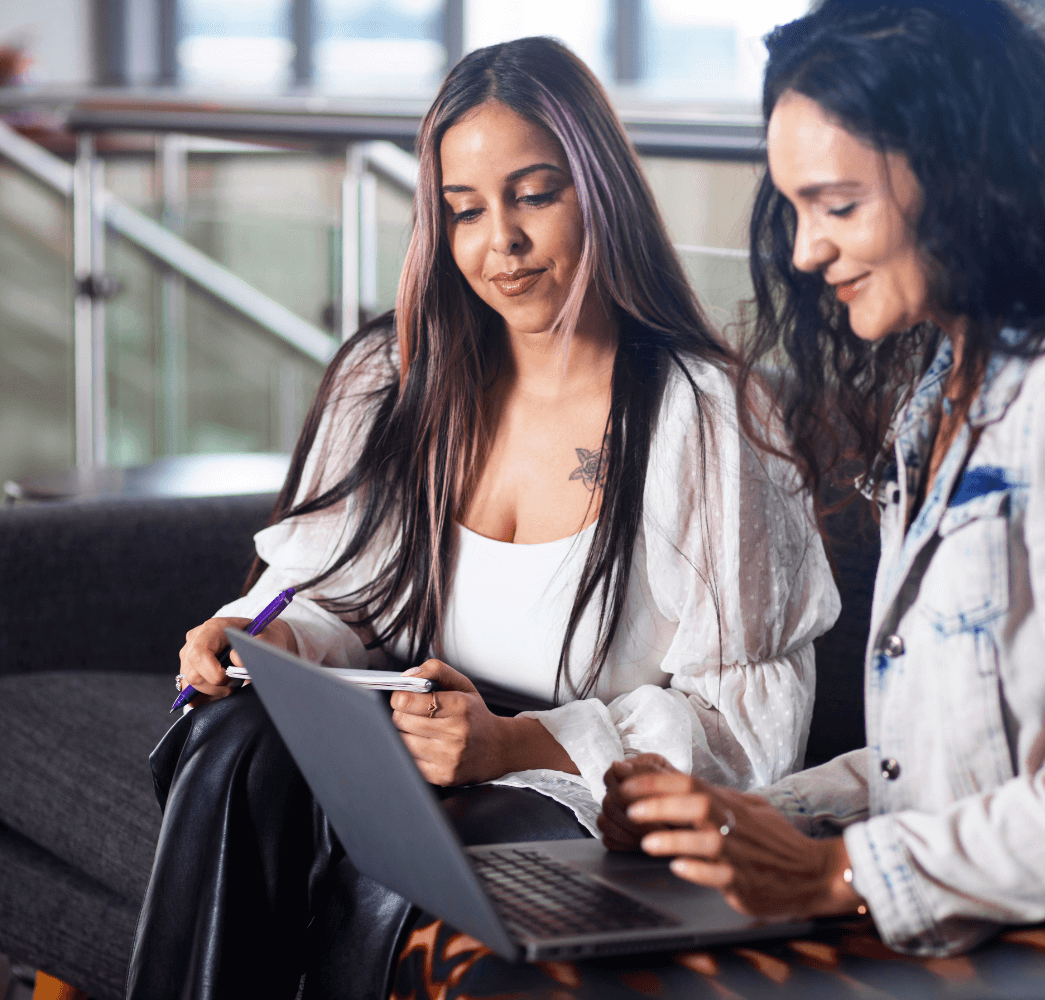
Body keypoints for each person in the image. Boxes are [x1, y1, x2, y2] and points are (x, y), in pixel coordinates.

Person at [126, 37, 837, 999]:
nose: (498, 242)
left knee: (404, 853)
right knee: (230, 742)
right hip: (409, 745)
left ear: (602, 191)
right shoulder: (397, 378)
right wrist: (264, 635)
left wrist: (511, 744)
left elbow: (751, 736)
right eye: (464, 210)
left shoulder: (703, 416)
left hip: (573, 793)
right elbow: (342, 594)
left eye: (534, 194)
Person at [606, 0, 1045, 957]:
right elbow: (952, 764)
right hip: (969, 922)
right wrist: (739, 821)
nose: (803, 250)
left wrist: (837, 876)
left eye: (839, 205)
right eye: (795, 208)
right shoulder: (950, 391)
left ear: (966, 179)